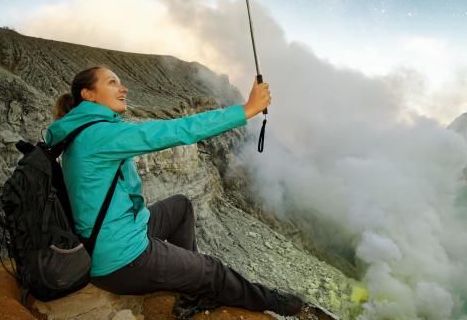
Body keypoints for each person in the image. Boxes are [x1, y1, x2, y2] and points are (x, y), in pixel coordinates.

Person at [46, 66, 303, 319]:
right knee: (212, 270)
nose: (123, 88)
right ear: (88, 95)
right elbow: (177, 130)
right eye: (112, 82)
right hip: (121, 261)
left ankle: (192, 286)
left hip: (108, 239)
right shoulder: (99, 134)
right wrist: (246, 111)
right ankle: (272, 301)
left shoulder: (80, 130)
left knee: (180, 206)